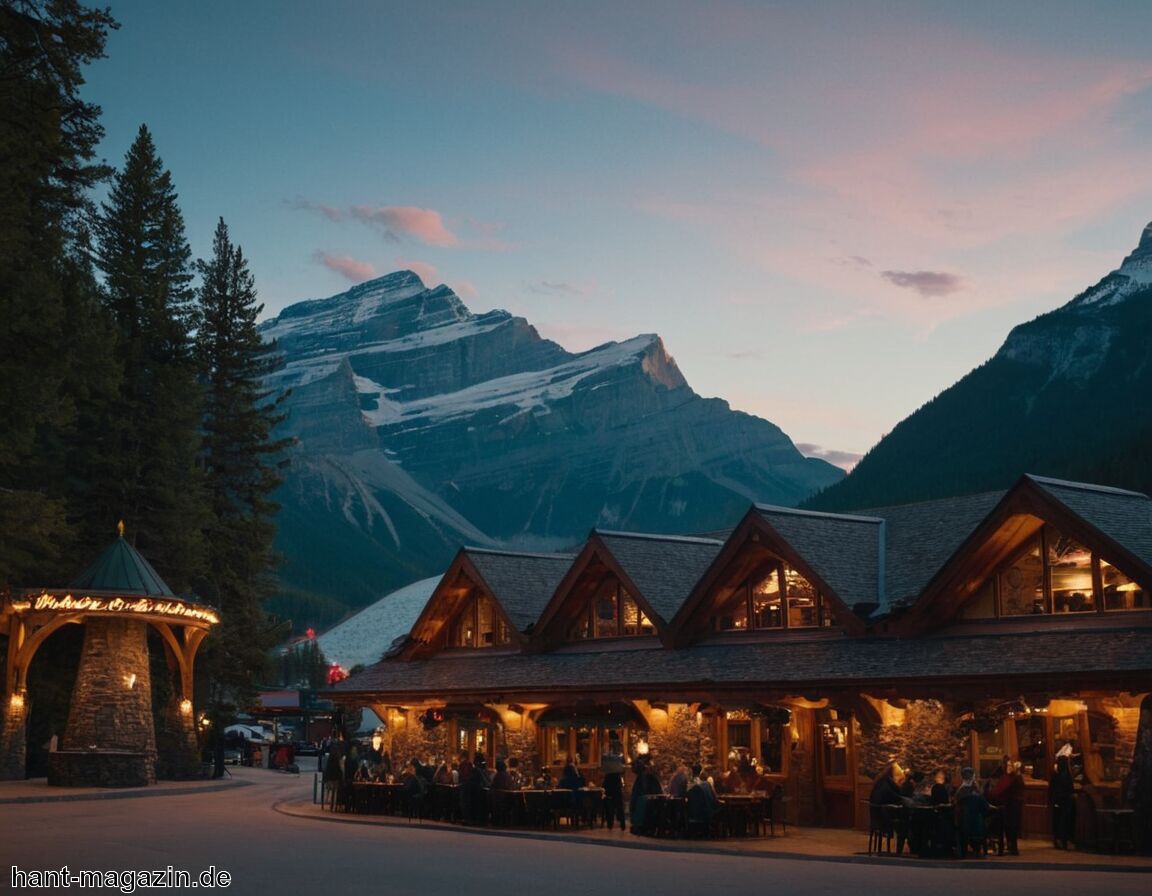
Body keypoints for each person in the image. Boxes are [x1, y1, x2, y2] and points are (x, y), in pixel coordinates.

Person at [990, 759, 1025, 855]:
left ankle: (1013, 848)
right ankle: (1011, 847)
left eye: (1010, 765)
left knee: (1012, 827)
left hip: (1012, 805)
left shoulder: (1014, 778)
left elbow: (1002, 789)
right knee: (1010, 827)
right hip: (1010, 805)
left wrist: (993, 794)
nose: (1008, 767)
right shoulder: (1010, 777)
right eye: (1007, 765)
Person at [954, 767, 990, 858]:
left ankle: (964, 850)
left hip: (963, 824)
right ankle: (978, 849)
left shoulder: (959, 792)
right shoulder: (976, 792)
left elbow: (955, 805)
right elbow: (986, 807)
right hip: (978, 825)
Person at [600, 733, 627, 830]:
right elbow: (623, 765)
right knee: (619, 802)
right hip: (616, 779)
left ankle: (610, 823)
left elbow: (603, 766)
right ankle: (622, 823)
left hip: (609, 779)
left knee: (609, 802)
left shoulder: (606, 751)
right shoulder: (620, 752)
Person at [1049, 753, 1076, 849]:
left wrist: (1052, 800)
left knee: (1058, 820)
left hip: (1058, 800)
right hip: (1066, 801)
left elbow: (1051, 788)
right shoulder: (1067, 774)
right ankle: (1064, 840)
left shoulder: (1056, 775)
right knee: (1065, 821)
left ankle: (1058, 840)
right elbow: (1070, 788)